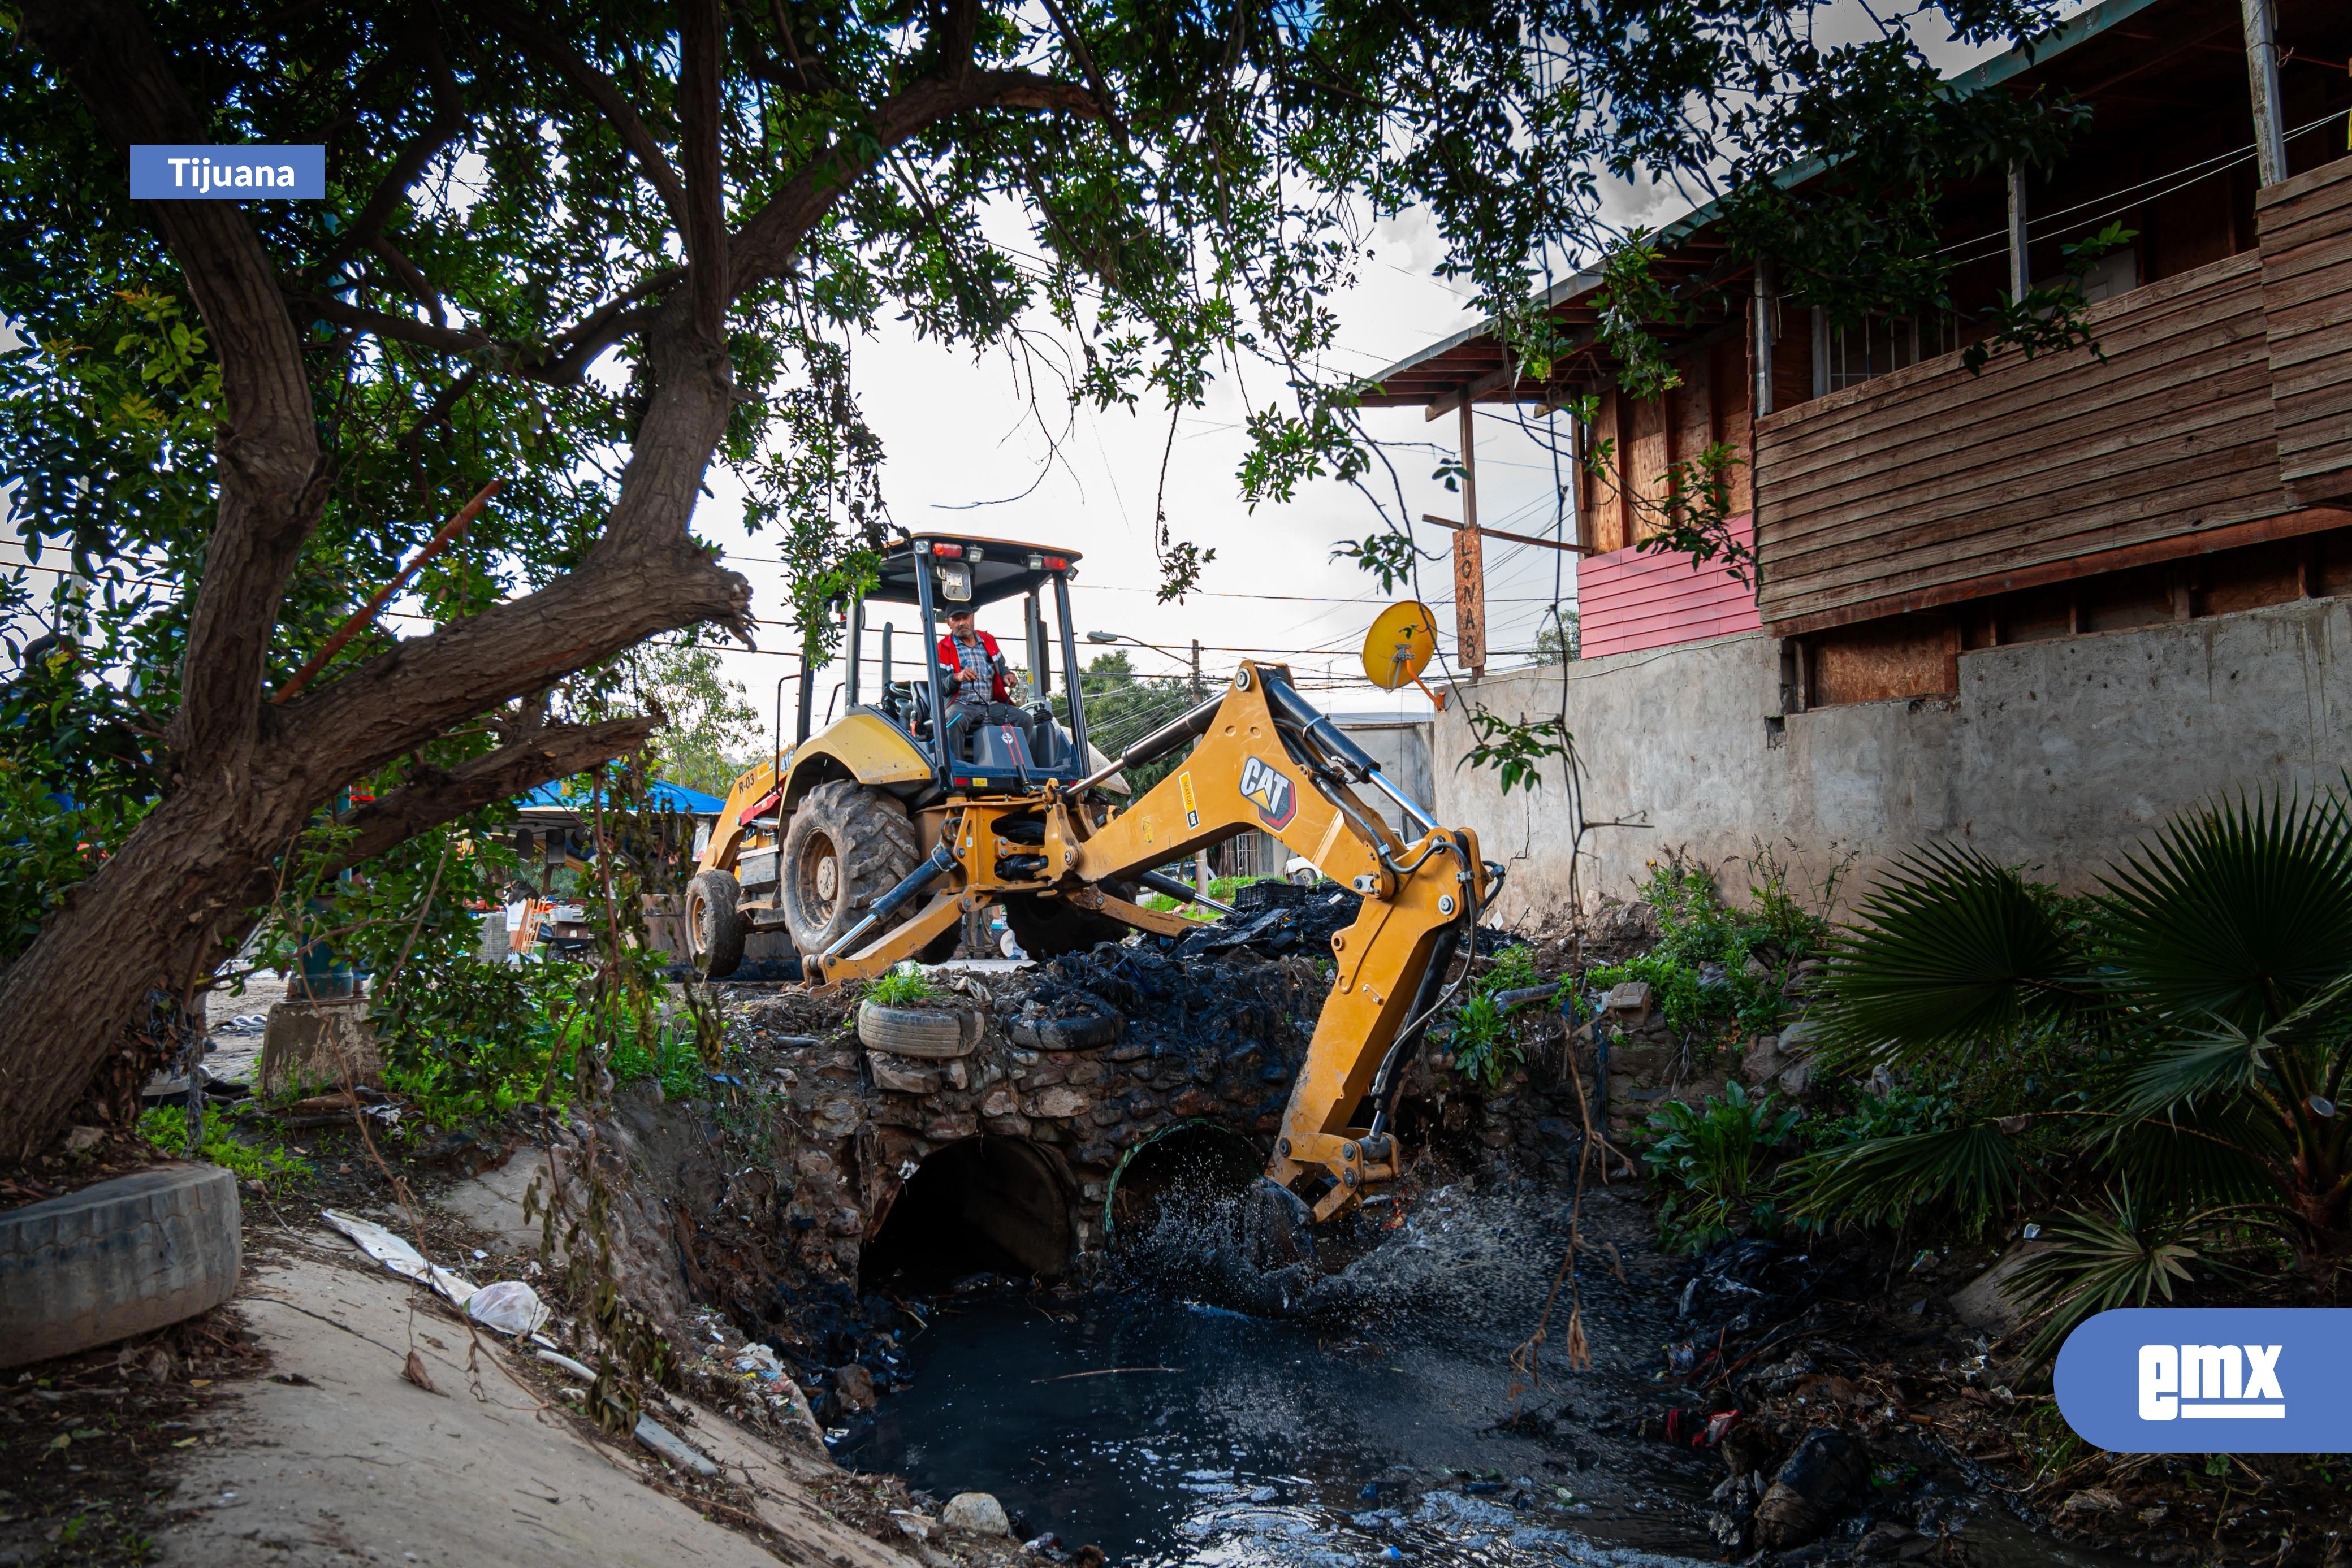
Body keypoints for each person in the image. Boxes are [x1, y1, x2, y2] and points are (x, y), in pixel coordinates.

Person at [936, 607, 1013, 705]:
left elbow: (1001, 668)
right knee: (957, 715)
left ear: (972, 617)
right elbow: (939, 687)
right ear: (948, 623)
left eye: (965, 618)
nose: (962, 623)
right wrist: (956, 677)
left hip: (990, 704)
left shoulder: (989, 640)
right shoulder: (942, 648)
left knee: (1022, 715)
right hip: (959, 705)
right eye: (956, 619)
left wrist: (1006, 674)